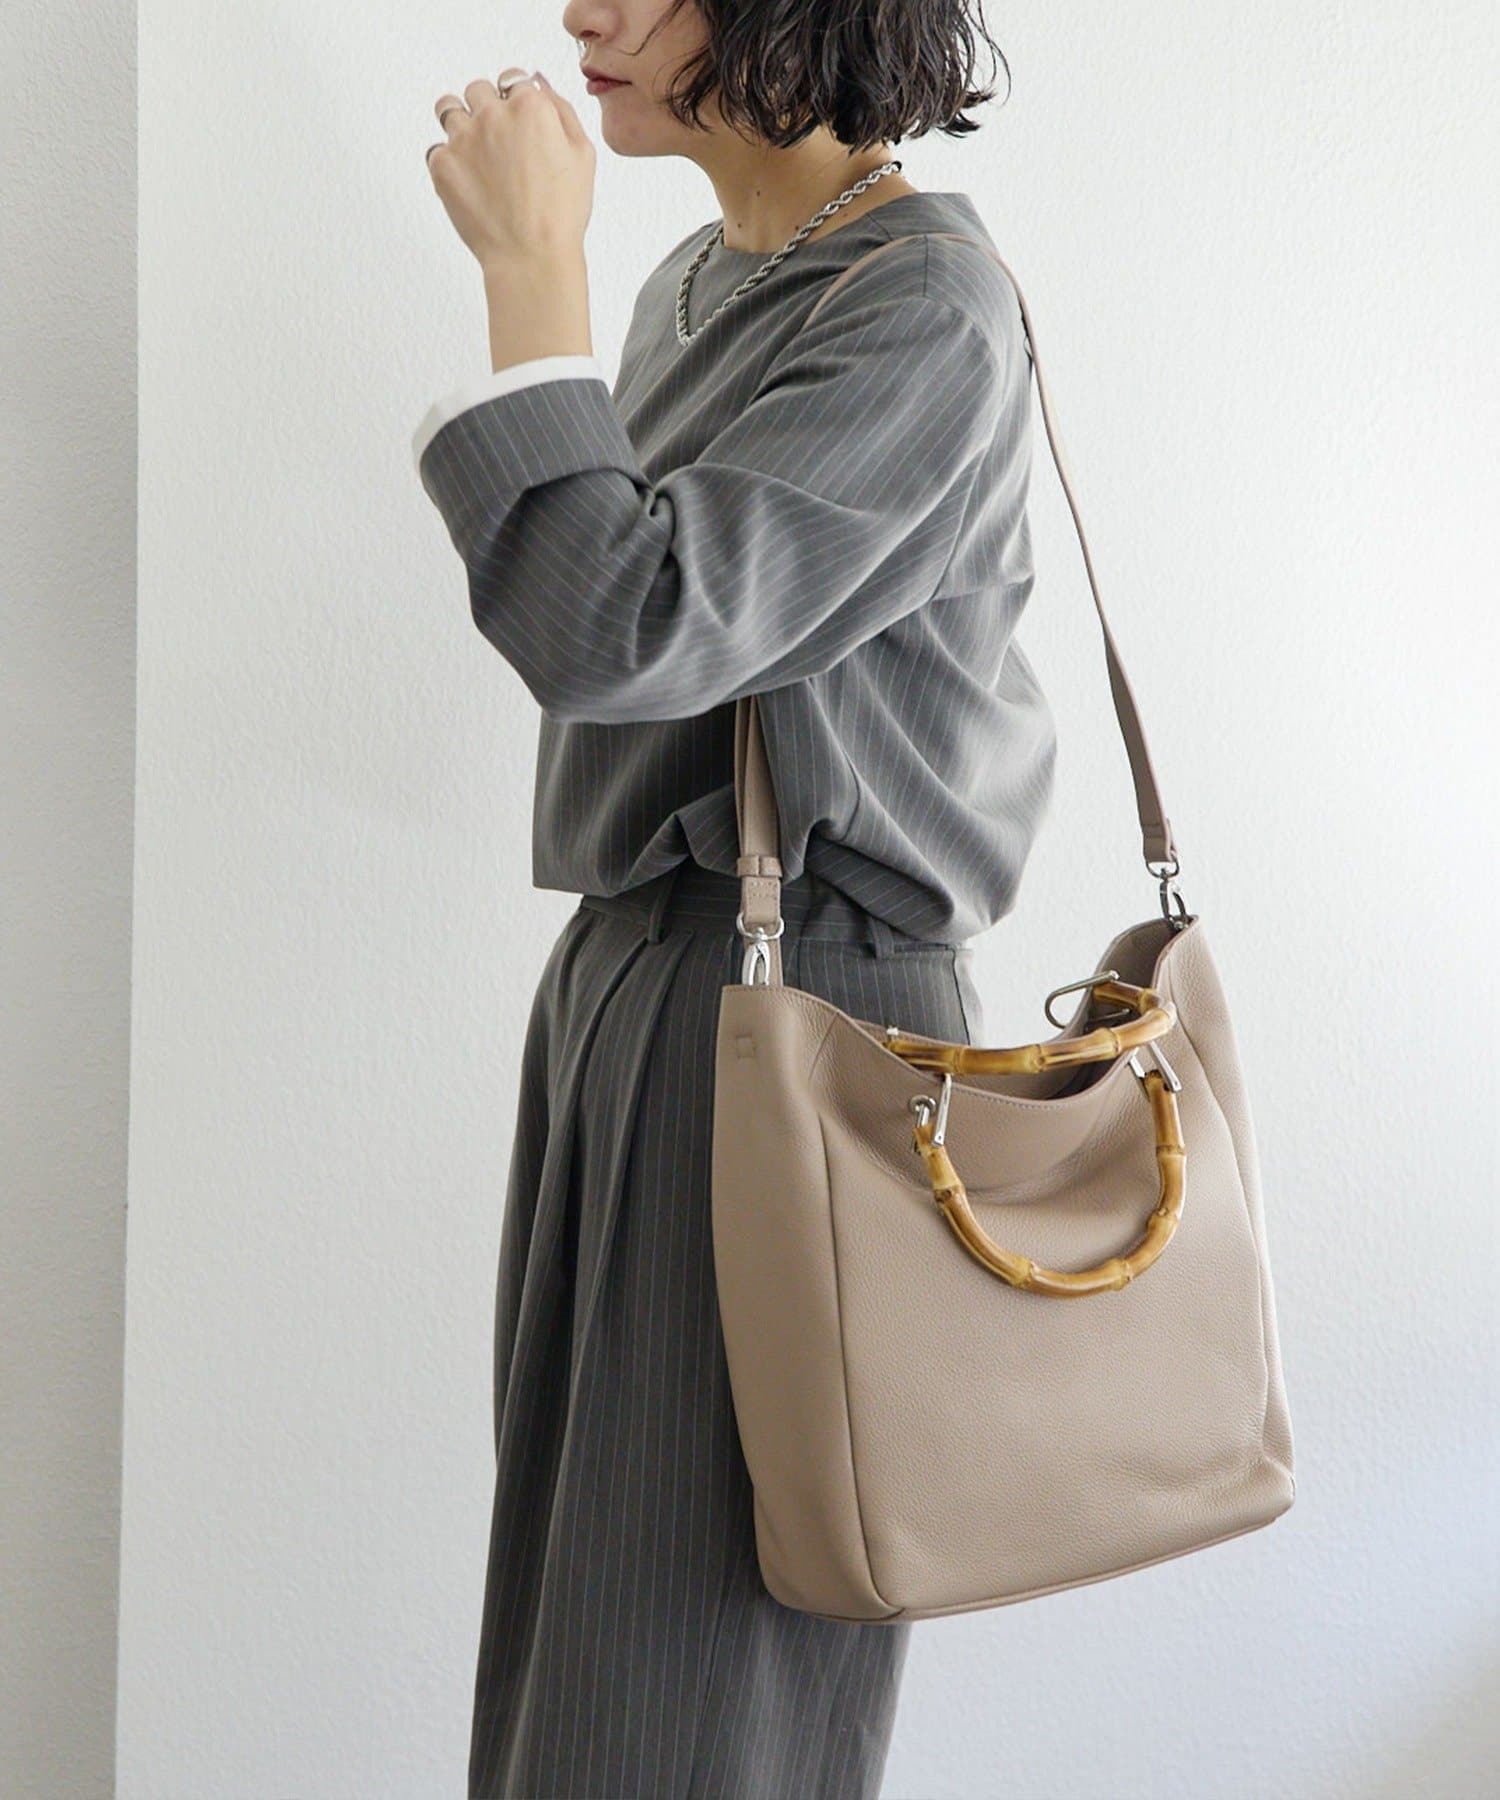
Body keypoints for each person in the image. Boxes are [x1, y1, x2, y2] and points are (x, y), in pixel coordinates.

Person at [414, 2, 1057, 1793]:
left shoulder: (922, 306)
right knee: (589, 1645)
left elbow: (616, 627)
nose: (584, 14)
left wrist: (529, 274)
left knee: (697, 1681)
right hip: (639, 991)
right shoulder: (702, 282)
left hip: (808, 1017)